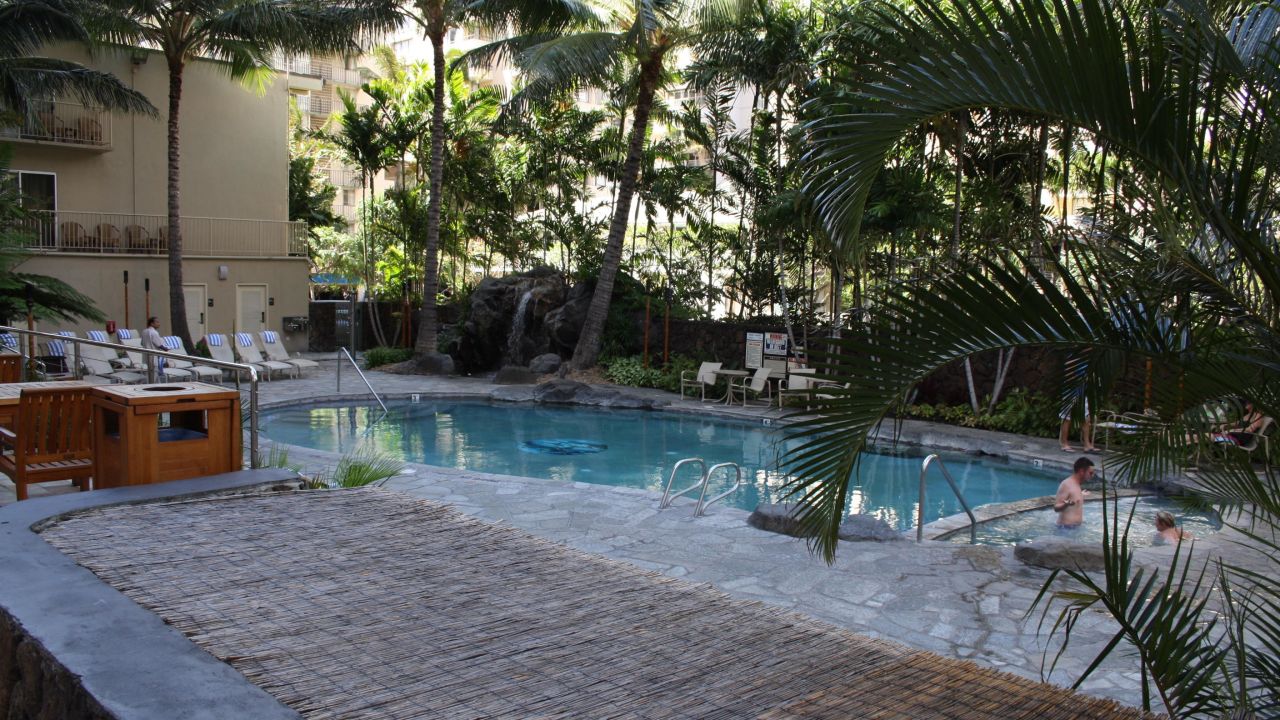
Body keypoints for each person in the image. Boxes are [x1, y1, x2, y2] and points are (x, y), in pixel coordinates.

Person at [1054, 457, 1095, 530]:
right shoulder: (1066, 484)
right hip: (1065, 529)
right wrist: (1066, 504)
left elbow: (1073, 497)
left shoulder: (1077, 485)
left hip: (1075, 528)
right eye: (1090, 473)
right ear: (1082, 471)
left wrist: (1080, 494)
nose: (1092, 476)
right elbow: (1056, 507)